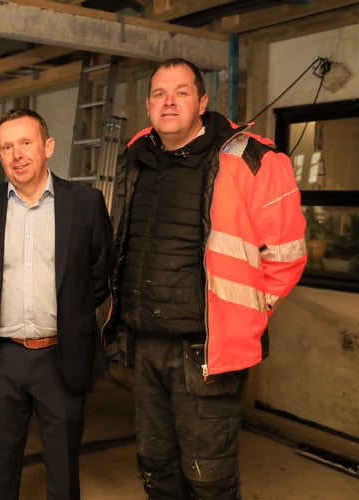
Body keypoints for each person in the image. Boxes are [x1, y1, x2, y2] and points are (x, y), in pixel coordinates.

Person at [106, 58, 308, 499]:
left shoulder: (253, 157)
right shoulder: (138, 153)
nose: (169, 102)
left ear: (202, 102)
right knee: (157, 469)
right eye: (159, 94)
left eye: (180, 92)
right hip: (146, 343)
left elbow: (287, 255)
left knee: (208, 477)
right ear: (147, 104)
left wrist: (246, 314)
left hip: (206, 349)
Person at [0, 108, 112, 500]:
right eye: (6, 147)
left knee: (63, 468)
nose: (17, 155)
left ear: (47, 146)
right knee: (1, 466)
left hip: (61, 356)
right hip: (4, 359)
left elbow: (99, 276)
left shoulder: (85, 204)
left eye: (25, 143)